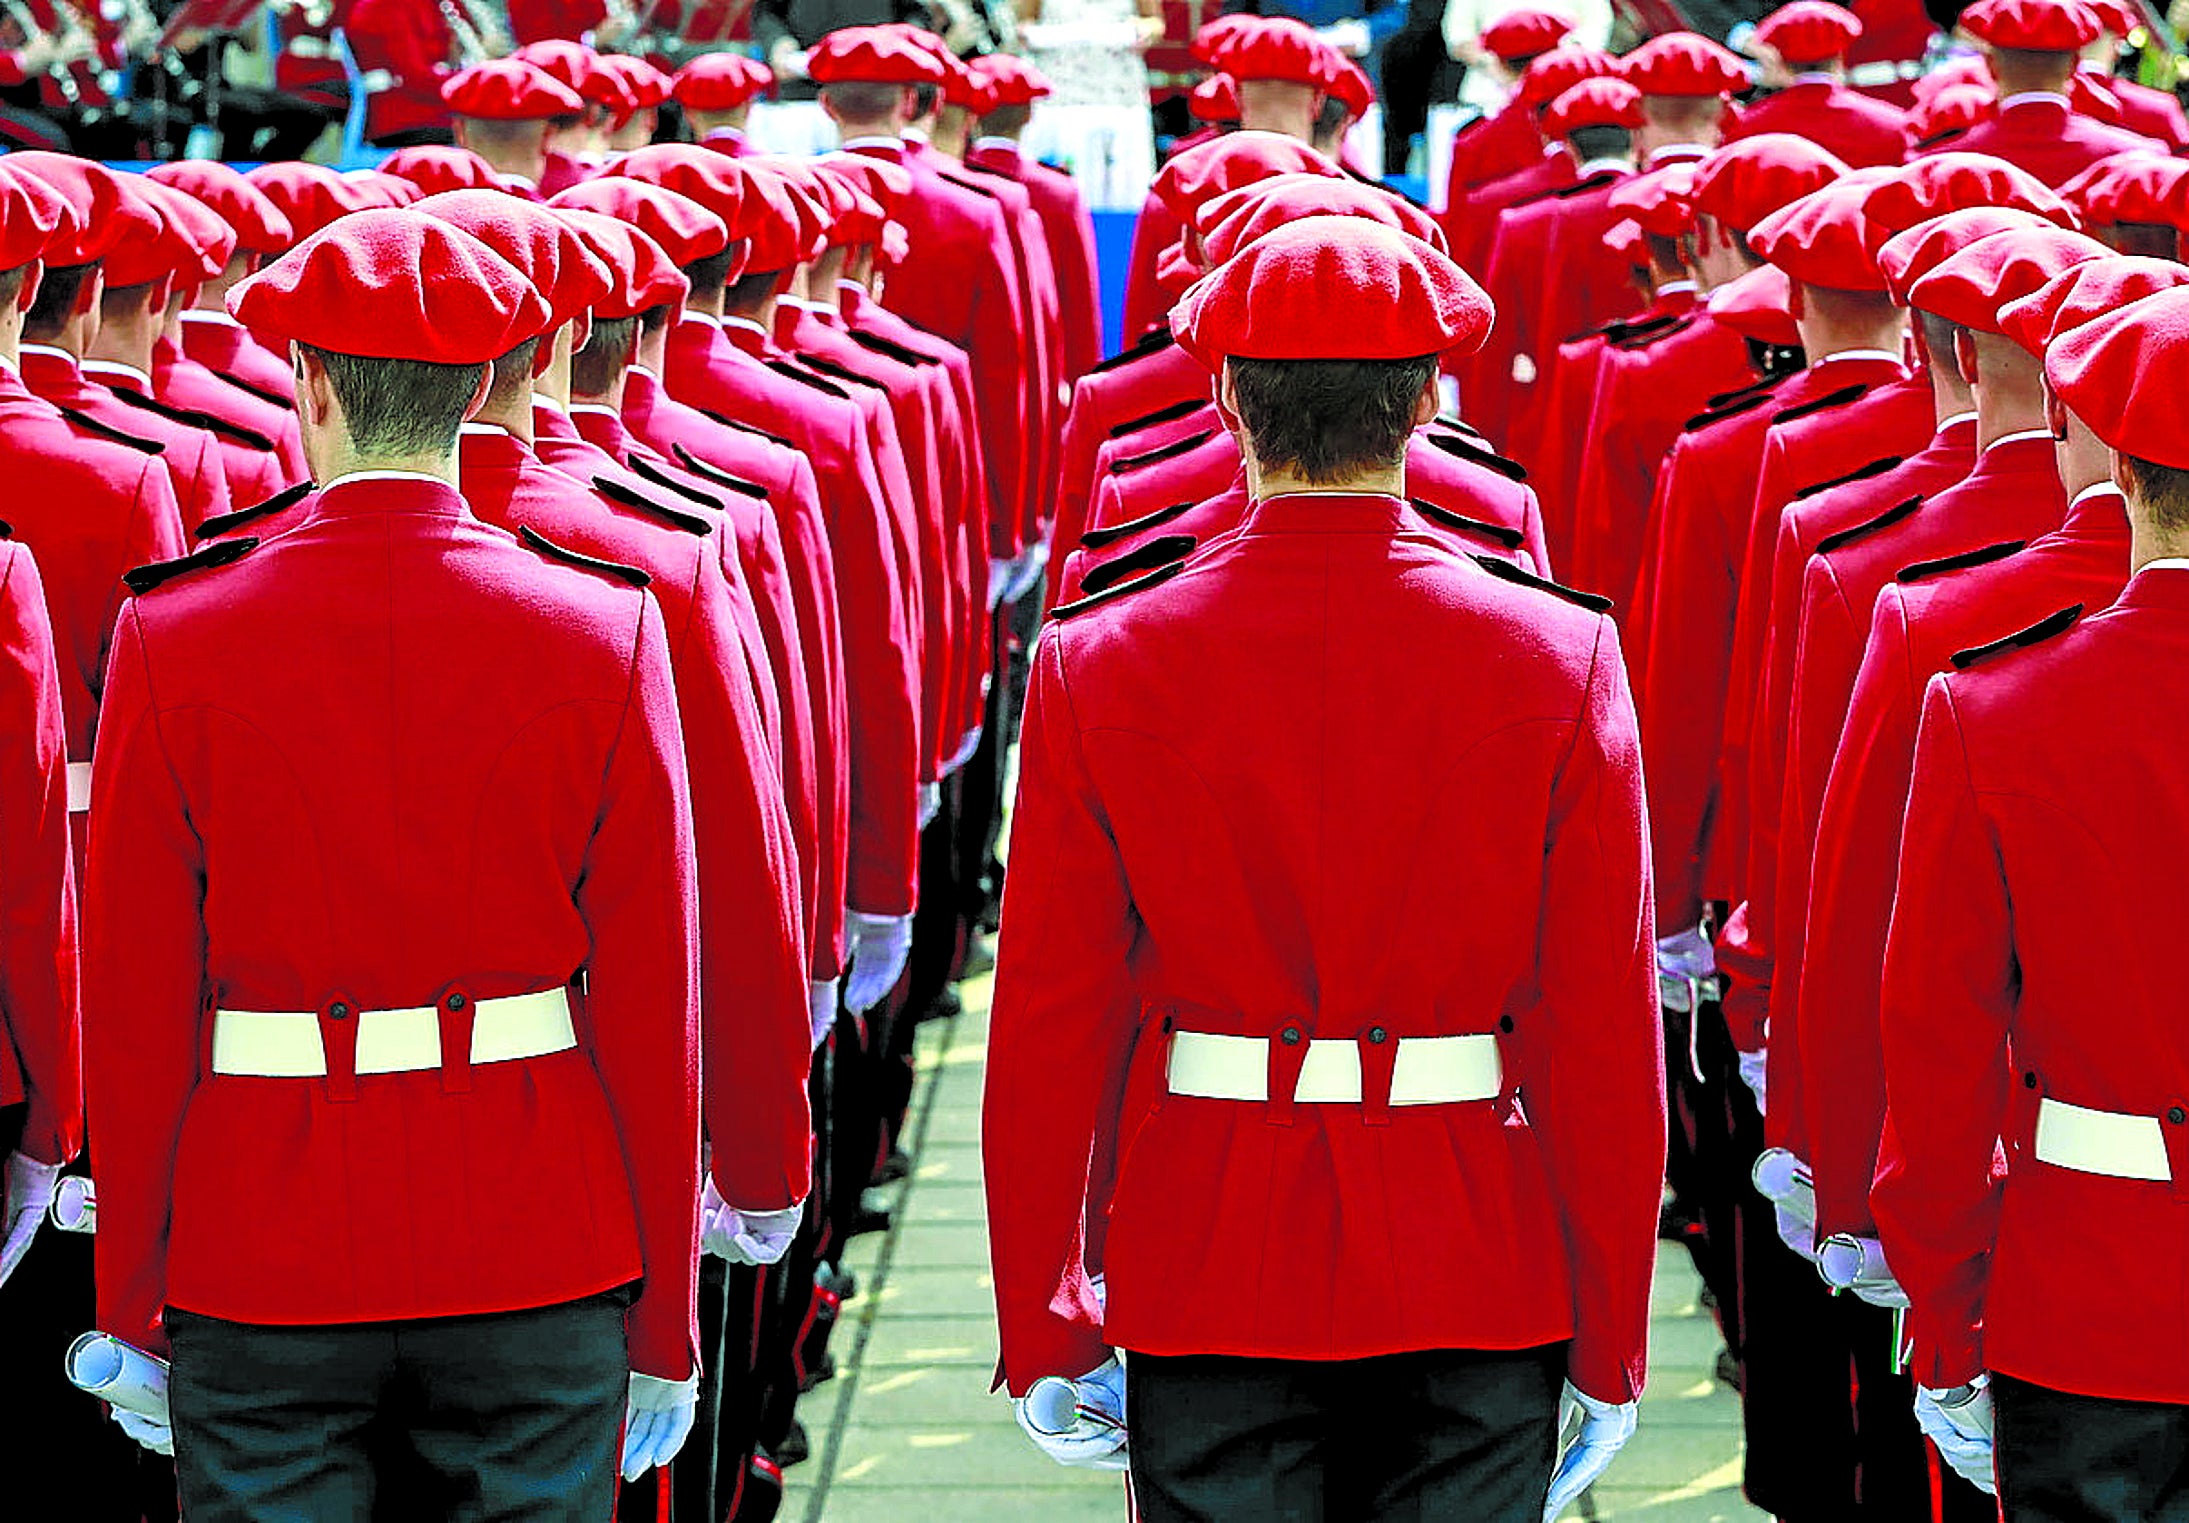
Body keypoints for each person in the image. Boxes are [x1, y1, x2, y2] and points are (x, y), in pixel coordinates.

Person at [984, 214, 1665, 1522]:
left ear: (1229, 397)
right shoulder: (1557, 651)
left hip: (1211, 1239)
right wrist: (1612, 1332)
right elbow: (1600, 1027)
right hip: (1477, 1240)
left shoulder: (1100, 654)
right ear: (1423, 403)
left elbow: (1050, 1021)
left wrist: (1048, 1310)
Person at [80, 206, 714, 1514]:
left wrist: (132, 1297)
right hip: (535, 1231)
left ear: (305, 387)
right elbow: (657, 1006)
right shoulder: (601, 628)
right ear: (488, 384)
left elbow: (137, 1005)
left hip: (262, 1241)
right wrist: (666, 1314)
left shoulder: (174, 634)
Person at [1874, 275, 2189, 1519]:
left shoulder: (1996, 709)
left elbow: (1936, 1045)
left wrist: (1946, 1319)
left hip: (2084, 1296)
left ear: (2110, 471)